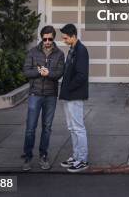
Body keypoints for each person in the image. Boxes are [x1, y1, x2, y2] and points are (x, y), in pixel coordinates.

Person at [21, 25, 65, 171]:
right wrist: (39, 72)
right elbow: (26, 72)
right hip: (35, 94)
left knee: (47, 128)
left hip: (50, 95)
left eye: (50, 39)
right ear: (41, 38)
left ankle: (43, 155)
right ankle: (27, 157)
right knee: (30, 128)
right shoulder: (33, 52)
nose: (47, 41)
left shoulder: (59, 54)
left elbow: (59, 73)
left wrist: (48, 74)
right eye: (45, 38)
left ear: (53, 38)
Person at [59, 23, 89, 172]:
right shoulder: (72, 49)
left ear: (73, 36)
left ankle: (82, 159)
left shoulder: (81, 51)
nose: (63, 40)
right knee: (72, 127)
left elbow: (81, 76)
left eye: (65, 38)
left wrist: (68, 88)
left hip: (75, 96)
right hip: (68, 96)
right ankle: (76, 155)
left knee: (78, 128)